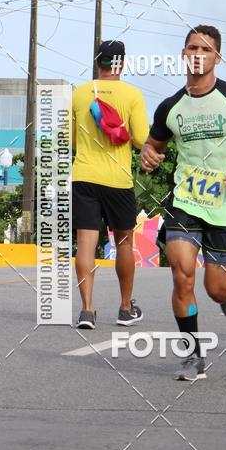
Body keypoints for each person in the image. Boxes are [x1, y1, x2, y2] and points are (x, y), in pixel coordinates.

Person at [140, 25, 226, 381]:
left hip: (225, 204)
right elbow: (154, 145)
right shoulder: (170, 107)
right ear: (183, 54)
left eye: (206, 48)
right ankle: (192, 354)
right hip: (184, 201)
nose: (198, 53)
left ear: (217, 57)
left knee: (217, 289)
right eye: (192, 47)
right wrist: (147, 155)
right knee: (182, 275)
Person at [72, 40, 149, 330]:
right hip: (118, 181)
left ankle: (87, 311)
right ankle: (126, 309)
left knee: (85, 245)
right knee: (124, 243)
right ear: (122, 64)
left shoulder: (79, 93)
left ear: (98, 63)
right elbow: (142, 139)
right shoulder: (132, 95)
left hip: (84, 177)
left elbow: (72, 140)